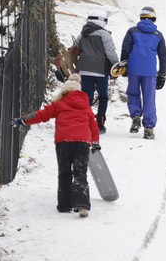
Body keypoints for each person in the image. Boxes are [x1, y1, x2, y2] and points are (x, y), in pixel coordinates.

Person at [12, 73, 100, 217]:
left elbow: (40, 115)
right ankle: (82, 204)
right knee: (80, 173)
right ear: (79, 91)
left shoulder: (59, 104)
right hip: (82, 142)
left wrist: (22, 120)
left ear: (64, 91)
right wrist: (95, 142)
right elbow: (94, 126)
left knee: (64, 173)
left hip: (63, 142)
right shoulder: (85, 107)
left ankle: (65, 205)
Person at [120, 6, 166, 139]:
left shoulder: (132, 31)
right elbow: (163, 56)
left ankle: (135, 116)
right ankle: (149, 128)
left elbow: (125, 49)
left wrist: (123, 66)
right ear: (154, 18)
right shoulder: (158, 35)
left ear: (141, 17)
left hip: (134, 69)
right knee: (149, 97)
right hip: (150, 71)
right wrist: (162, 74)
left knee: (133, 93)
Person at [74, 11, 119, 134]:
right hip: (100, 71)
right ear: (102, 20)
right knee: (103, 96)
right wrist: (117, 65)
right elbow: (110, 52)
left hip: (84, 70)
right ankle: (99, 122)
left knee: (86, 97)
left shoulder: (82, 34)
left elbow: (75, 47)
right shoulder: (104, 35)